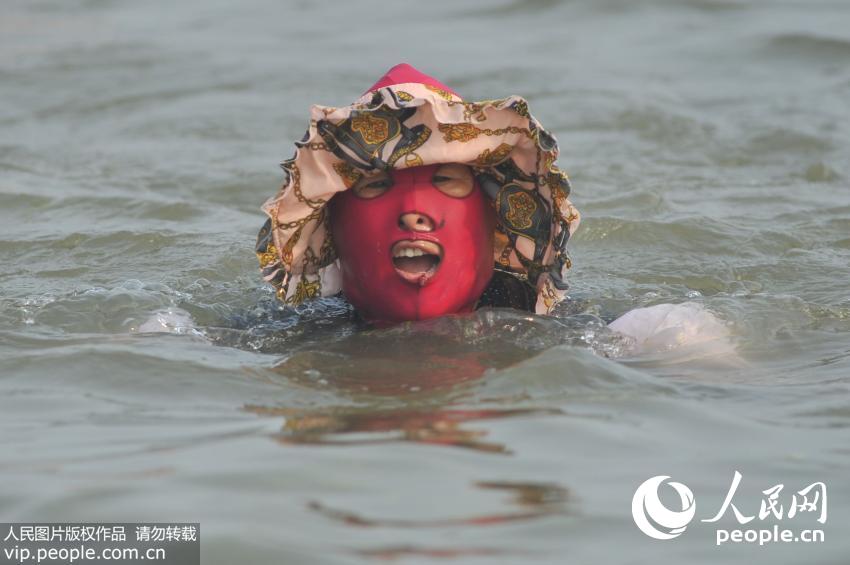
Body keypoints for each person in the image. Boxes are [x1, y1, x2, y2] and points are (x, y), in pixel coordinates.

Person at [256, 63, 579, 324]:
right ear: (333, 232)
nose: (412, 212)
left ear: (494, 218)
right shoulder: (299, 331)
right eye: (377, 184)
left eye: (446, 180)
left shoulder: (546, 326)